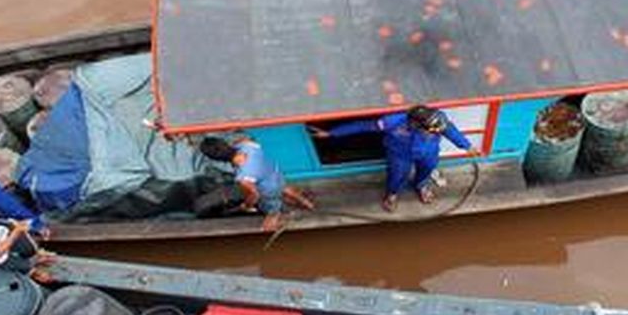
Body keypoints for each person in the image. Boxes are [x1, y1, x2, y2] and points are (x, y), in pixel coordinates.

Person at [310, 105, 480, 212]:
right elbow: (363, 126)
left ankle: (421, 186)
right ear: (415, 124)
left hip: (428, 153)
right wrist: (332, 133)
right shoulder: (392, 122)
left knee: (427, 170)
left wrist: (467, 146)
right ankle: (392, 194)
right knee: (397, 175)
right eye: (430, 131)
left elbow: (450, 130)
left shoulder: (438, 118)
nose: (436, 132)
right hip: (399, 155)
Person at [199, 137, 314, 232]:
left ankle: (282, 220)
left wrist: (247, 205)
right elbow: (245, 140)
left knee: (272, 215)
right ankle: (307, 203)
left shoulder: (244, 177)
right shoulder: (248, 145)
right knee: (285, 188)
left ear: (218, 159)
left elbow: (255, 195)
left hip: (269, 191)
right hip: (275, 172)